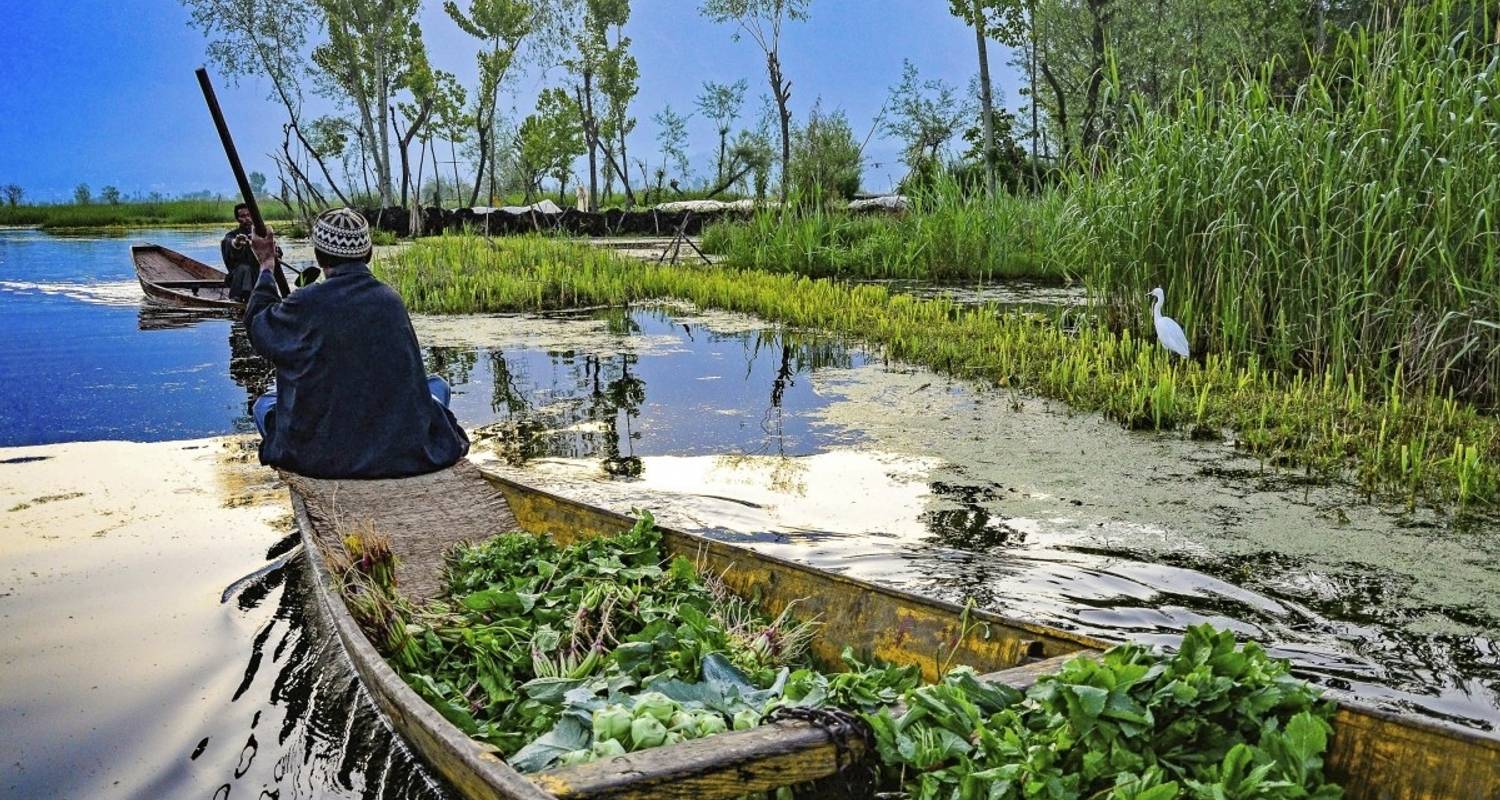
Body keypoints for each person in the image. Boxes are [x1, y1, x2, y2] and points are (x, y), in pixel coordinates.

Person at [243, 208, 469, 479]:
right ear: (369, 253)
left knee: (264, 405)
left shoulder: (305, 302)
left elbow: (259, 326)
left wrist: (266, 265)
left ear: (319, 256)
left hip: (321, 457)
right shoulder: (391, 300)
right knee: (437, 387)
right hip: (401, 449)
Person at [221, 203, 260, 301]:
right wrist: (237, 243)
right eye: (243, 216)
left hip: (258, 277)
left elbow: (277, 250)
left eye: (249, 215)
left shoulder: (261, 233)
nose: (247, 218)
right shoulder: (232, 235)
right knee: (244, 268)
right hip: (238, 280)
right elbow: (229, 243)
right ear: (237, 219)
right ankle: (239, 299)